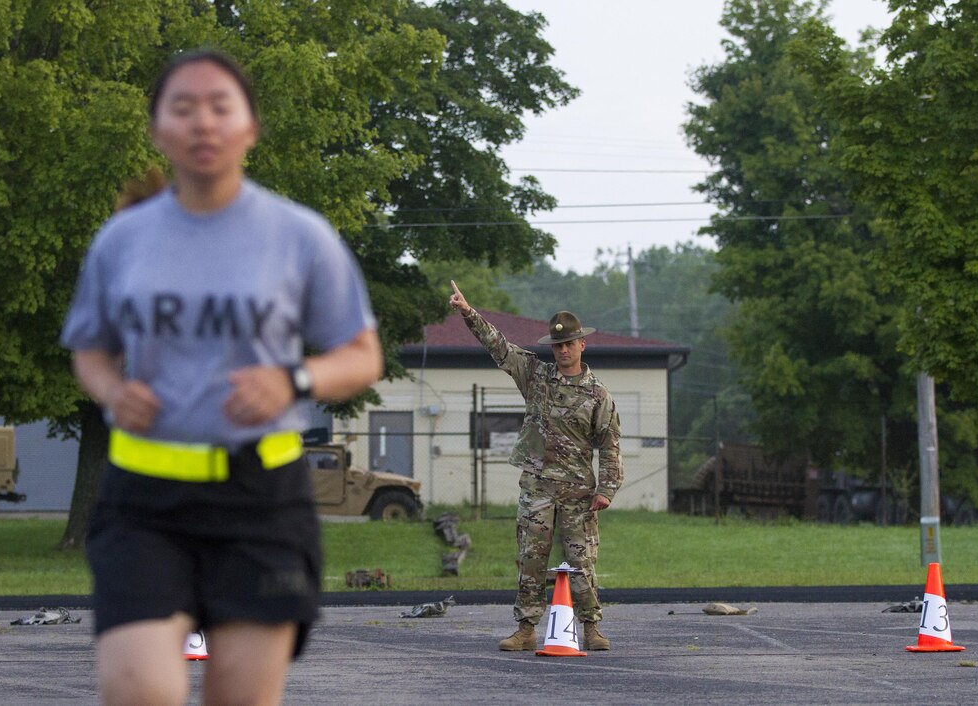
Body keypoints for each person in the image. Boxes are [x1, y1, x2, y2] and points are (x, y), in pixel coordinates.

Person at [61, 48, 382, 706]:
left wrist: (294, 379)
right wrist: (114, 390)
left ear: (250, 127)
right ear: (157, 129)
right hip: (145, 502)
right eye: (183, 107)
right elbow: (89, 350)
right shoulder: (122, 239)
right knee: (139, 688)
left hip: (261, 500)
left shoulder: (299, 235)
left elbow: (360, 354)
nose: (202, 122)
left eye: (220, 106)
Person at [448, 281, 622, 652]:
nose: (562, 350)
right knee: (531, 557)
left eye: (569, 344)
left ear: (581, 345)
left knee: (581, 560)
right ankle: (526, 628)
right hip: (538, 487)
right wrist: (468, 312)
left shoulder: (597, 394)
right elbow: (499, 347)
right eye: (557, 345)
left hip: (578, 492)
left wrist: (606, 489)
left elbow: (610, 444)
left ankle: (591, 627)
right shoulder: (537, 377)